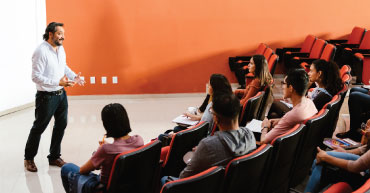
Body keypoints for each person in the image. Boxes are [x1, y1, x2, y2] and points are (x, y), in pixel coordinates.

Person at [24, 22, 85, 172]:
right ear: (50, 34)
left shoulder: (60, 48)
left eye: (63, 34)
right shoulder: (40, 51)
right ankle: (29, 159)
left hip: (61, 95)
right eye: (59, 34)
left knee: (61, 125)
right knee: (39, 128)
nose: (63, 37)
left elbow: (63, 66)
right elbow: (35, 77)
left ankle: (54, 157)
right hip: (46, 97)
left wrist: (73, 76)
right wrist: (57, 82)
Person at [161, 93, 256, 184]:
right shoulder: (250, 135)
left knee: (164, 179)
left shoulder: (207, 145)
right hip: (234, 186)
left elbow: (184, 177)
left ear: (216, 118)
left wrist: (201, 152)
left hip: (208, 186)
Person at [61, 103, 144, 193]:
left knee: (66, 168)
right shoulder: (139, 140)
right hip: (129, 185)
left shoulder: (105, 150)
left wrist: (99, 152)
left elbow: (83, 170)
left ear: (106, 125)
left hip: (106, 188)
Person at [304, 119, 370, 192]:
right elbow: (363, 148)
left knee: (322, 160)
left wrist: (326, 158)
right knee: (323, 158)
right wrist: (345, 152)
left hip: (364, 175)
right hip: (363, 165)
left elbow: (354, 167)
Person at [268, 60, 343, 118]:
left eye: (311, 71)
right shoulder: (321, 88)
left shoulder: (323, 96)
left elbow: (306, 113)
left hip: (300, 116)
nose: (308, 74)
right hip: (301, 112)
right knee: (273, 115)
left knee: (274, 104)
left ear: (319, 73)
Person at [260, 69, 318, 144]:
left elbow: (263, 141)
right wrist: (281, 120)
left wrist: (265, 127)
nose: (282, 86)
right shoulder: (309, 103)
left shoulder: (292, 115)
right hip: (298, 145)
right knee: (273, 115)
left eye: (283, 83)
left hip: (278, 151)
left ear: (291, 88)